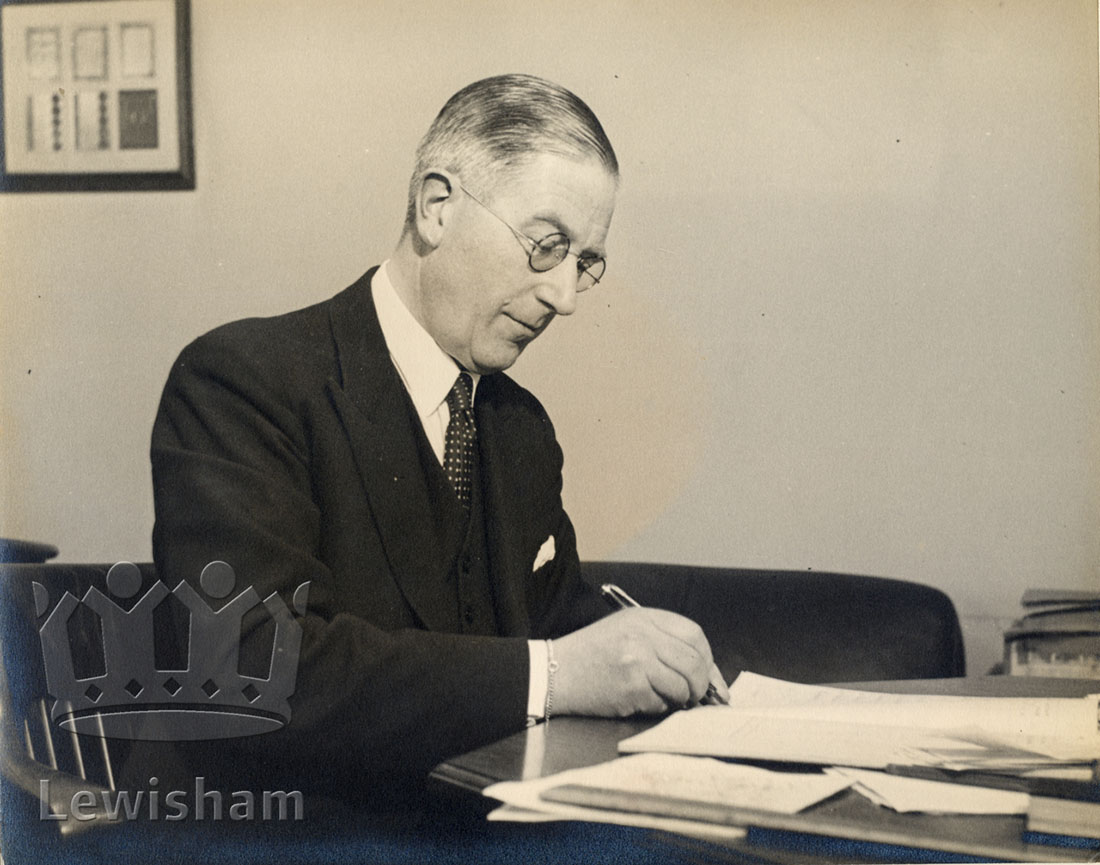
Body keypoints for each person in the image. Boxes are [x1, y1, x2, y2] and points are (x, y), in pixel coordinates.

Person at [148, 73, 729, 808]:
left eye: (584, 263)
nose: (564, 297)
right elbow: (250, 667)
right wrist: (556, 675)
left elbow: (555, 618)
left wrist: (652, 650)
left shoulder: (519, 426)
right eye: (546, 245)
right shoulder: (242, 381)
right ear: (436, 207)